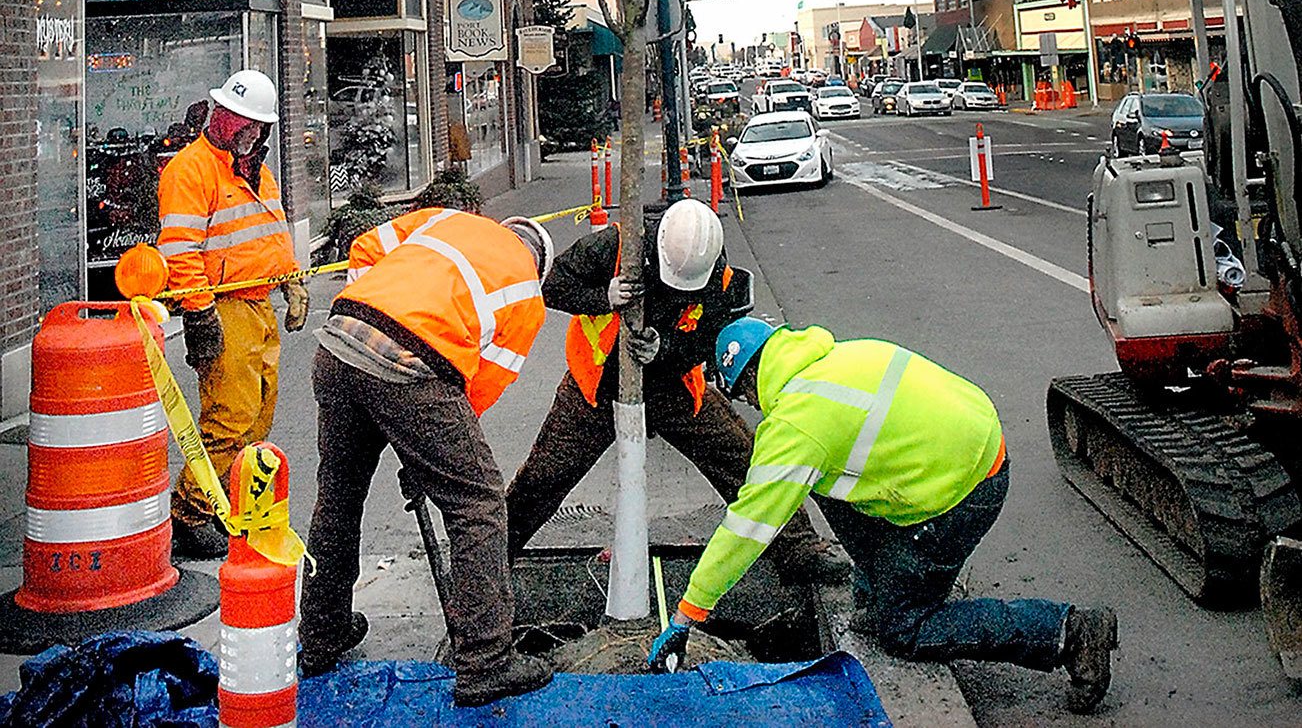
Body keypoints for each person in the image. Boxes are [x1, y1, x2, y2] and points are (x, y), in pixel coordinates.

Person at [649, 318, 1120, 715]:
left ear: (748, 381)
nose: (751, 407)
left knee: (906, 628)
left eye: (744, 398)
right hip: (976, 443)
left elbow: (749, 525)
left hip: (961, 493)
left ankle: (1068, 632)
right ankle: (878, 583)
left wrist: (689, 612)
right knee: (824, 481)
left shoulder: (796, 424)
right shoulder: (839, 356)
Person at [505, 200, 847, 581]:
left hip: (673, 387)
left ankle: (798, 548)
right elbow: (550, 284)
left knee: (741, 460)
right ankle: (491, 562)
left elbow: (709, 337)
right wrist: (605, 297)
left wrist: (664, 348)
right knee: (544, 477)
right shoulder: (616, 247)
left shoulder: (717, 273)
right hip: (596, 388)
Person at [299, 207, 556, 708]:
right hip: (412, 362)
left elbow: (365, 249)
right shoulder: (527, 293)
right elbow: (478, 389)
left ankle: (321, 633)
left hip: (339, 342)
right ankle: (487, 661)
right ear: (539, 264)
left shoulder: (446, 220)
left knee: (338, 498)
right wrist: (429, 453)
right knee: (478, 503)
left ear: (508, 228)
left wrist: (371, 315)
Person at [157, 69, 308, 559]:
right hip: (225, 308)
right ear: (218, 114)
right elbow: (180, 251)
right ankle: (189, 512)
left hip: (257, 305)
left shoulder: (254, 170)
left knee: (258, 416)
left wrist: (292, 281)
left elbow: (270, 233)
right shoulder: (190, 170)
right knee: (229, 417)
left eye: (259, 125)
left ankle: (224, 505)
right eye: (243, 121)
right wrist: (200, 317)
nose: (252, 132)